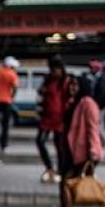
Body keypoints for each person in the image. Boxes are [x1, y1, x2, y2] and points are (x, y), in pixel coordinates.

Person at [59, 75, 104, 207]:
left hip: (84, 152)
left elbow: (92, 128)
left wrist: (93, 152)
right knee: (70, 183)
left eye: (76, 85)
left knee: (85, 183)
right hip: (71, 150)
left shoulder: (88, 103)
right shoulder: (73, 102)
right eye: (71, 84)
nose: (73, 88)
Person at [36, 56, 69, 184]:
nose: (54, 71)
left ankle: (61, 171)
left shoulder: (66, 81)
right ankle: (49, 167)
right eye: (52, 68)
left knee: (59, 146)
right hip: (47, 117)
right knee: (40, 141)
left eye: (56, 68)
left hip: (60, 118)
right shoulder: (47, 80)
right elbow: (41, 93)